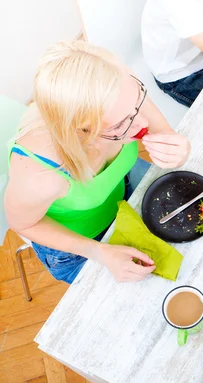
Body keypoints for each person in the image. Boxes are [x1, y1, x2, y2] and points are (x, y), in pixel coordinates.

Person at [4, 41, 190, 284]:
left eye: (138, 102)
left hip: (120, 194)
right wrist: (101, 252)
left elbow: (155, 126)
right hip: (78, 246)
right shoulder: (40, 175)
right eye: (120, 124)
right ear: (81, 130)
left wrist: (174, 140)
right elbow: (24, 225)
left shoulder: (119, 90)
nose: (142, 122)